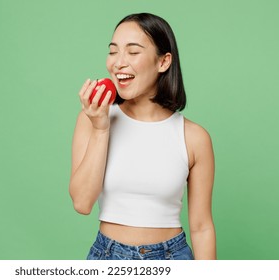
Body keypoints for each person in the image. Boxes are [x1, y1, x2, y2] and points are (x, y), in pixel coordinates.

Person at [69, 13, 216, 260]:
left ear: (164, 62)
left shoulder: (194, 137)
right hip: (108, 258)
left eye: (133, 52)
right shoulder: (92, 118)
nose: (118, 63)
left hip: (173, 258)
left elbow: (202, 228)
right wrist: (101, 128)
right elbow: (82, 203)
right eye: (113, 51)